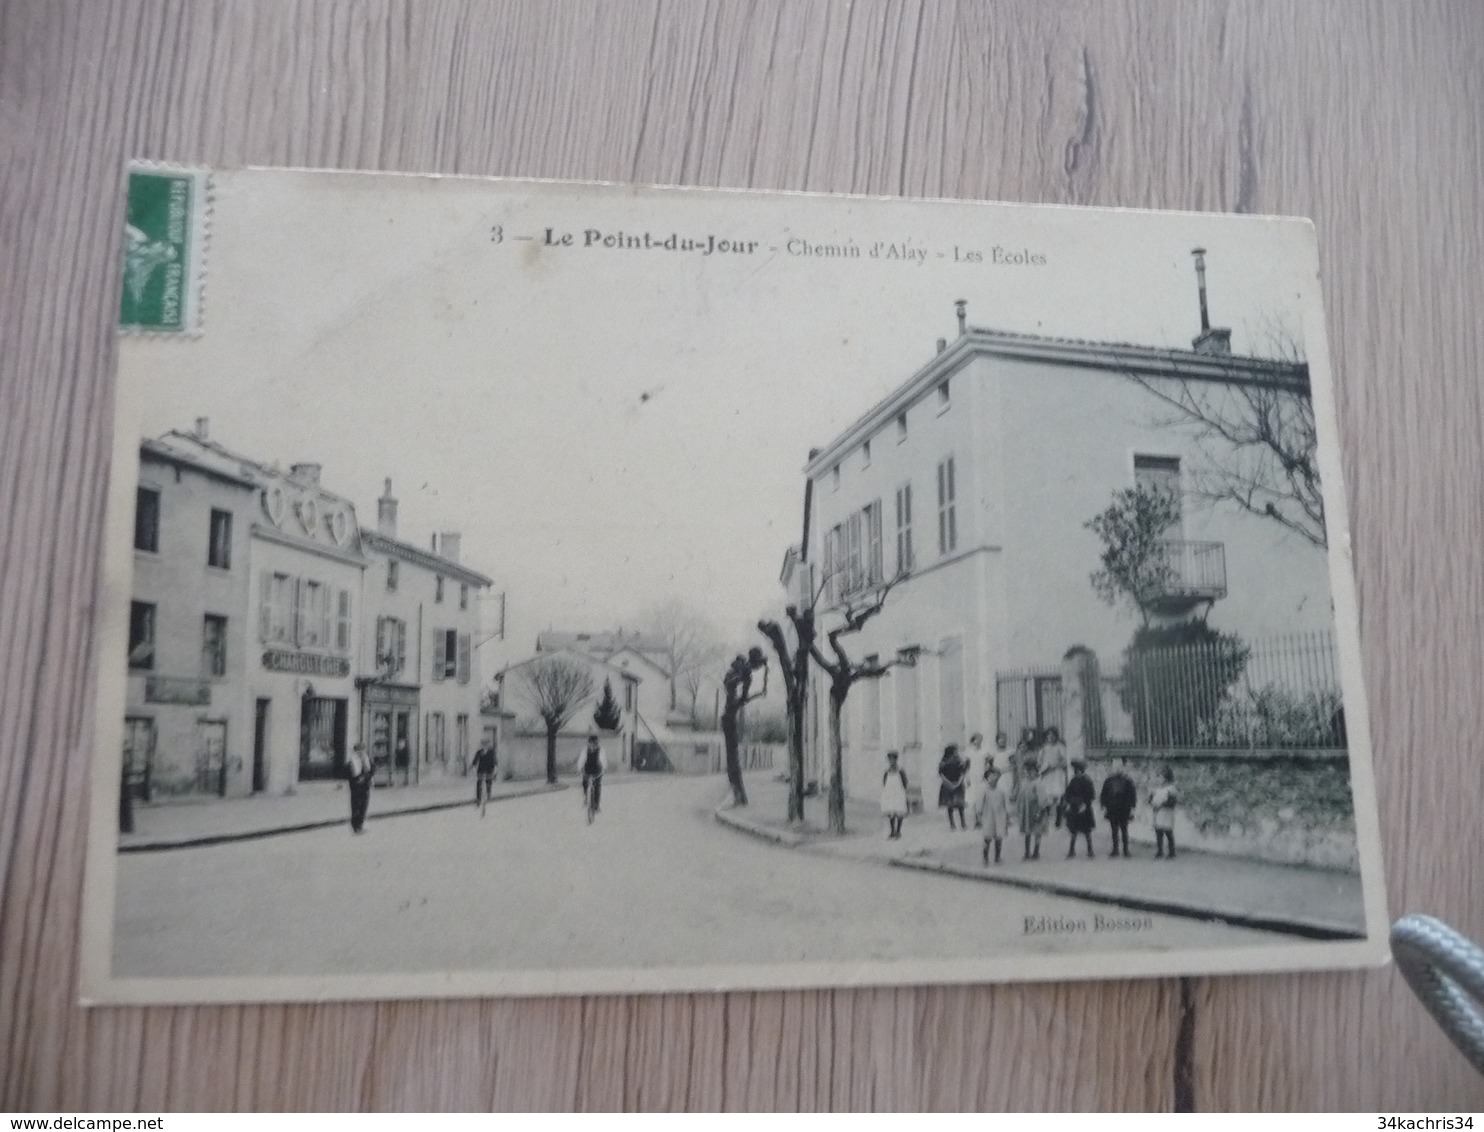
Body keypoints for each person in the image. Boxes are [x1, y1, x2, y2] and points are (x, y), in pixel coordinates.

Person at [1099, 756, 1137, 857]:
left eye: (1119, 766)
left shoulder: (1127, 781)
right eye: (1115, 766)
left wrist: (1132, 807)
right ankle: (1115, 849)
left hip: (1124, 808)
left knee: (1124, 829)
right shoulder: (1108, 781)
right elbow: (1104, 793)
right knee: (1114, 830)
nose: (1117, 768)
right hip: (1112, 808)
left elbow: (1132, 795)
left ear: (1123, 767)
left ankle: (1126, 850)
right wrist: (1103, 805)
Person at [977, 763, 1012, 865]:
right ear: (987, 778)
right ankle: (985, 858)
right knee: (987, 838)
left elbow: (1006, 804)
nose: (993, 779)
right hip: (988, 816)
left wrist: (1008, 817)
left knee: (998, 837)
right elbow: (979, 804)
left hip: (1000, 816)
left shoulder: (1001, 791)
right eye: (991, 777)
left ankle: (997, 857)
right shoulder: (984, 791)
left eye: (996, 776)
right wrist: (979, 816)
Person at [1062, 757, 1096, 858]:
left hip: (1084, 809)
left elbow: (1091, 795)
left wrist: (1085, 804)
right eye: (1075, 771)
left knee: (1087, 831)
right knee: (1073, 831)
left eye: (1078, 771)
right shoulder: (1073, 781)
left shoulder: (1087, 781)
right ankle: (1071, 851)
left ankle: (1090, 850)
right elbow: (1067, 793)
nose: (1077, 773)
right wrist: (1069, 802)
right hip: (1074, 808)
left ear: (1082, 771)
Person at [1013, 752, 1045, 859]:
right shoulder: (1024, 782)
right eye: (1026, 771)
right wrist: (1019, 809)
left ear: (1036, 771)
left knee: (1037, 831)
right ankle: (1027, 852)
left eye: (1031, 771)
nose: (1029, 773)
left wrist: (1039, 811)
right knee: (1027, 831)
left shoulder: (1038, 783)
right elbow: (1020, 797)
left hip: (1036, 810)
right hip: (1026, 811)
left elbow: (1042, 799)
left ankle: (1036, 851)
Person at [345, 742, 373, 834]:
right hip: (356, 787)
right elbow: (347, 773)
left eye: (362, 750)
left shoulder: (367, 759)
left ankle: (360, 825)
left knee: (363, 806)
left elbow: (372, 769)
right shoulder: (351, 762)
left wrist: (366, 777)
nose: (361, 753)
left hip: (365, 786)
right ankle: (355, 827)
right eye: (358, 751)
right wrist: (356, 779)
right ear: (355, 752)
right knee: (355, 806)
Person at [937, 745, 968, 830]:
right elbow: (941, 774)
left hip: (957, 784)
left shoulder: (959, 761)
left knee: (960, 805)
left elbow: (963, 772)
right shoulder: (943, 762)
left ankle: (963, 823)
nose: (956, 753)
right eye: (955, 751)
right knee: (949, 805)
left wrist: (958, 783)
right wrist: (949, 784)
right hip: (948, 785)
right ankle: (952, 824)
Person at [1151, 764, 1178, 859]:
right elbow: (1151, 799)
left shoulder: (1171, 789)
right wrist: (1153, 803)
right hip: (1158, 813)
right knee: (1158, 832)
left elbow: (1172, 802)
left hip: (1166, 813)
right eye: (1158, 777)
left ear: (1166, 779)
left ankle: (1172, 851)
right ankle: (1160, 851)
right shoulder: (1156, 789)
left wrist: (1162, 805)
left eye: (1161, 777)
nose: (1159, 780)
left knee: (1168, 832)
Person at [880, 750, 909, 839]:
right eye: (890, 760)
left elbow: (905, 782)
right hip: (890, 793)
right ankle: (892, 831)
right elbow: (884, 782)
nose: (891, 761)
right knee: (891, 812)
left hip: (899, 793)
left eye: (893, 759)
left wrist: (901, 790)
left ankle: (898, 831)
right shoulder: (887, 771)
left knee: (899, 811)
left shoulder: (900, 771)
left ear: (896, 760)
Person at [580, 730, 606, 815]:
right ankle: (586, 797)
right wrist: (580, 768)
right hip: (587, 768)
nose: (592, 745)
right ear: (589, 742)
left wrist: (603, 769)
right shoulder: (585, 749)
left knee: (597, 786)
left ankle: (596, 805)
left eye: (594, 743)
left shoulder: (600, 749)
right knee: (584, 783)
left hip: (597, 770)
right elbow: (581, 759)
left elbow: (603, 760)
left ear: (597, 743)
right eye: (591, 743)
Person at [966, 733, 987, 828]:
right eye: (976, 739)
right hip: (972, 777)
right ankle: (977, 820)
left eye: (980, 739)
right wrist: (967, 778)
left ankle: (981, 819)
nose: (978, 741)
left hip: (982, 777)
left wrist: (986, 774)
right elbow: (966, 767)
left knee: (982, 798)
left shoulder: (984, 751)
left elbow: (988, 763)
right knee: (973, 799)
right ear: (973, 740)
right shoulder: (969, 752)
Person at [472, 741, 498, 812]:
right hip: (481, 771)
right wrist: (474, 770)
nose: (484, 746)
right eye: (483, 745)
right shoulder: (479, 752)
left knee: (489, 782)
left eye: (486, 745)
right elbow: (474, 762)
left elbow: (495, 762)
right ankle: (478, 799)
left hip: (489, 770)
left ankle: (488, 794)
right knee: (479, 784)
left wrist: (495, 771)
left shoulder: (491, 752)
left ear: (488, 745)